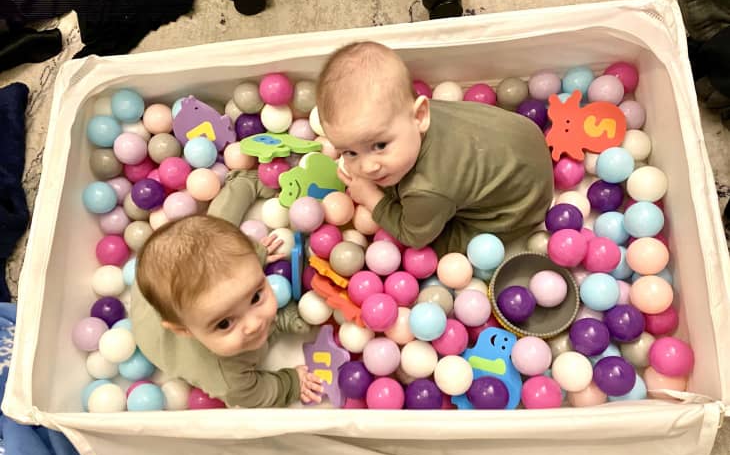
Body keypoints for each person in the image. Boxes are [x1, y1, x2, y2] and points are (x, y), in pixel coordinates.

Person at [316, 41, 554, 257]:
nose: (367, 167)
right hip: (524, 141)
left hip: (520, 209)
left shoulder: (428, 189)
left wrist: (370, 197)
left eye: (379, 145)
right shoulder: (407, 116)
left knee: (433, 247)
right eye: (349, 152)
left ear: (420, 115)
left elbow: (414, 236)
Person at [130, 170, 323, 408]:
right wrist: (291, 383)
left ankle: (244, 183)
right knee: (218, 242)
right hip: (152, 314)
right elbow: (255, 394)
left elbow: (227, 259)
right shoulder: (227, 377)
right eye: (224, 324)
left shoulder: (223, 304)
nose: (253, 325)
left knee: (217, 238)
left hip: (169, 276)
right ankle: (278, 321)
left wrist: (256, 253)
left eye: (255, 296)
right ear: (184, 330)